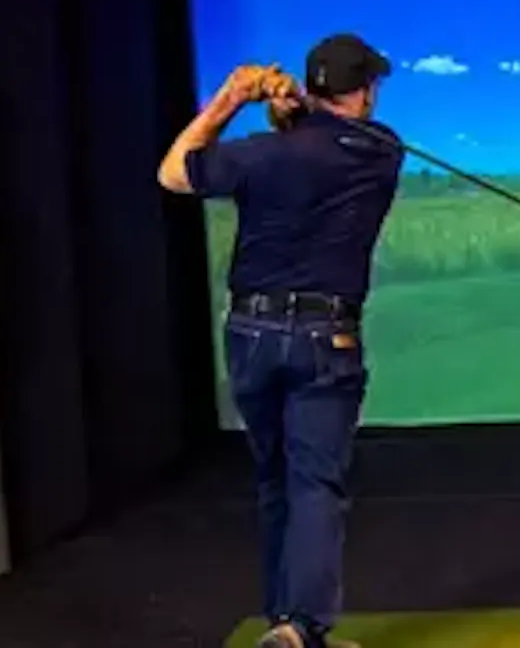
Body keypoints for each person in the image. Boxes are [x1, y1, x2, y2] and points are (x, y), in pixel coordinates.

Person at [157, 33, 402, 648]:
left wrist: (232, 98)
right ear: (364, 91)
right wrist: (291, 111)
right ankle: (301, 627)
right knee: (314, 483)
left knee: (274, 480)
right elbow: (319, 144)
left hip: (251, 334)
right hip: (327, 336)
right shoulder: (382, 151)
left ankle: (285, 626)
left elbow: (173, 172)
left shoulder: (261, 154)